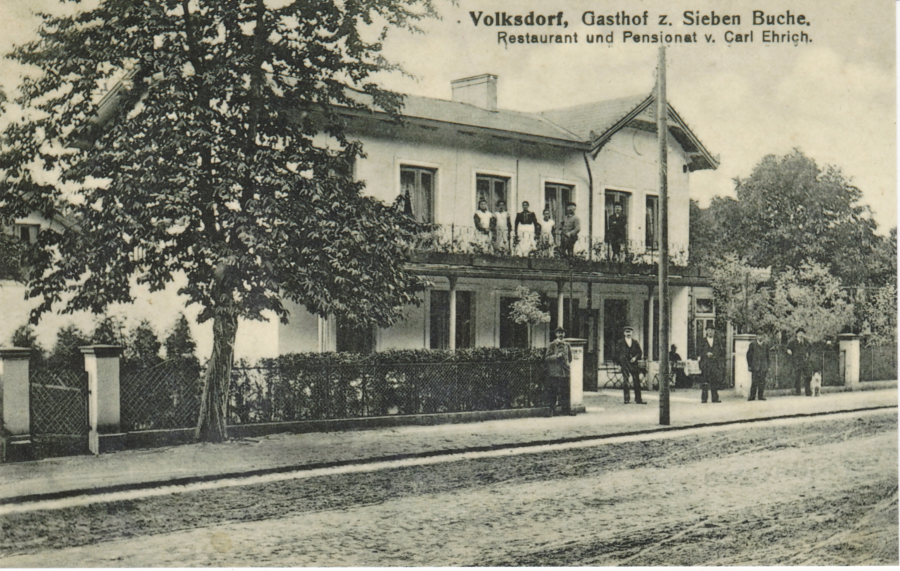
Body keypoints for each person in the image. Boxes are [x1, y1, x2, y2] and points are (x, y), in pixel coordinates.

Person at [543, 327, 572, 416]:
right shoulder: (552, 345)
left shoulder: (567, 345)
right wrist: (556, 356)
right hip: (555, 372)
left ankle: (566, 410)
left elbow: (570, 358)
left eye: (562, 333)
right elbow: (547, 358)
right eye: (559, 333)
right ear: (556, 334)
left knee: (565, 392)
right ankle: (552, 411)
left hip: (565, 372)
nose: (561, 335)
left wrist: (567, 363)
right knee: (553, 391)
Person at [614, 326, 646, 404]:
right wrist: (618, 364)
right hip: (624, 364)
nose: (628, 333)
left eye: (630, 332)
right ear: (624, 333)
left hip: (633, 364)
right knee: (626, 381)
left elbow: (640, 352)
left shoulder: (635, 342)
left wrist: (635, 358)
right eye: (627, 332)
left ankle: (638, 399)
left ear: (632, 333)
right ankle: (626, 399)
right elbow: (616, 354)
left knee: (636, 381)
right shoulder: (620, 343)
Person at [697, 325, 725, 403]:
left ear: (714, 332)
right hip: (705, 363)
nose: (710, 332)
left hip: (714, 363)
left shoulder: (717, 341)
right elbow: (699, 351)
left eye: (712, 330)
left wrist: (714, 355)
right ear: (706, 331)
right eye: (708, 330)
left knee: (714, 381)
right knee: (705, 381)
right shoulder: (702, 341)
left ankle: (715, 398)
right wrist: (706, 353)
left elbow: (720, 351)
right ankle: (704, 398)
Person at [786, 327, 812, 396]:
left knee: (808, 376)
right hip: (797, 361)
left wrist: (808, 353)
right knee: (797, 376)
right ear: (797, 334)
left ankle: (808, 391)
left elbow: (810, 349)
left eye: (802, 333)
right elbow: (788, 348)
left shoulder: (806, 342)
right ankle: (798, 391)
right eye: (799, 333)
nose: (801, 335)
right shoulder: (793, 342)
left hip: (805, 360)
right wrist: (789, 351)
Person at [746, 333, 770, 401]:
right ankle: (752, 396)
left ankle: (760, 396)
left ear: (763, 336)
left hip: (763, 366)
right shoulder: (752, 345)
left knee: (762, 381)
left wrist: (768, 366)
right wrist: (749, 365)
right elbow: (748, 356)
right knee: (754, 382)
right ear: (756, 336)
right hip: (755, 366)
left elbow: (768, 356)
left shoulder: (765, 345)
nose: (760, 337)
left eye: (761, 335)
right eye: (759, 335)